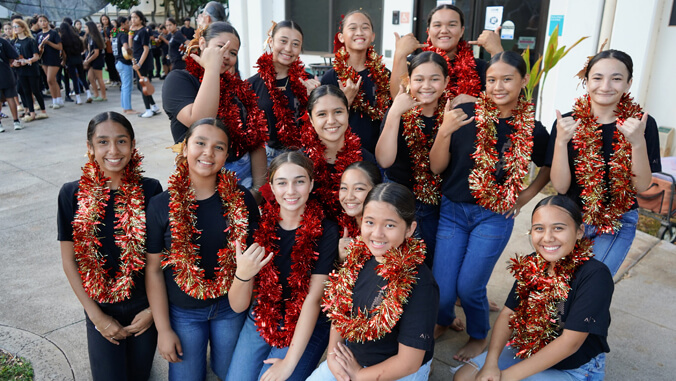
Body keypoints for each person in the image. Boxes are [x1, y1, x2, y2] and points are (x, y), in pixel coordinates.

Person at [429, 51, 551, 361]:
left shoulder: (531, 128)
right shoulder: (465, 114)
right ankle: (444, 319)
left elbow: (548, 164)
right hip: (453, 211)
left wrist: (527, 193)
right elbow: (436, 167)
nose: (498, 86)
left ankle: (478, 334)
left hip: (495, 216)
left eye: (507, 79)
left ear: (524, 81)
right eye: (491, 80)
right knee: (443, 290)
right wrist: (444, 130)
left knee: (470, 286)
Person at [145, 117, 267, 380]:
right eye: (200, 143)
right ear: (185, 147)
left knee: (229, 372)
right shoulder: (160, 205)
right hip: (184, 312)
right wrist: (163, 329)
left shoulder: (242, 198)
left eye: (219, 147)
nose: (208, 153)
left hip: (230, 308)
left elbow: (253, 257)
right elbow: (153, 270)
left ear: (226, 155)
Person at [454, 195, 613, 381]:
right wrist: (491, 364)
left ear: (579, 231)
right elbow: (508, 314)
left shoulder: (595, 275)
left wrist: (504, 378)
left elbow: (571, 343)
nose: (548, 238)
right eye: (539, 229)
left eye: (558, 228)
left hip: (574, 367)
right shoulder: (533, 263)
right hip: (529, 350)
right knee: (463, 377)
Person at [58, 111, 162, 380]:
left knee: (140, 375)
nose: (113, 150)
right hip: (100, 305)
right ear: (90, 148)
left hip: (143, 305)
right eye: (103, 142)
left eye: (121, 141)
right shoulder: (72, 193)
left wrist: (153, 311)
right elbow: (70, 260)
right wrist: (97, 317)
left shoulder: (150, 190)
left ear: (133, 144)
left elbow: (163, 257)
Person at [547, 49, 661, 276]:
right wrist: (561, 141)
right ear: (586, 81)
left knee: (591, 283)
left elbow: (642, 186)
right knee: (558, 287)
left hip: (617, 221)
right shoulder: (567, 122)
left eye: (616, 78)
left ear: (628, 83)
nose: (606, 86)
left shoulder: (641, 124)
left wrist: (637, 143)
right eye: (597, 77)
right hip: (570, 216)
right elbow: (560, 187)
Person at [310, 182, 439, 381]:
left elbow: (408, 362)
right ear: (361, 221)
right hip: (349, 358)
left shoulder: (420, 284)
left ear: (409, 229)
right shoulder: (358, 255)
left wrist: (360, 375)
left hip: (394, 370)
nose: (377, 234)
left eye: (389, 225)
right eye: (370, 222)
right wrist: (333, 355)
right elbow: (340, 310)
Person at [228, 151, 339, 381]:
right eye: (282, 182)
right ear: (271, 187)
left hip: (305, 320)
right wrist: (243, 275)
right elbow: (239, 306)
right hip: (262, 314)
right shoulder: (257, 230)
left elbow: (314, 299)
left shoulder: (326, 230)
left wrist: (288, 364)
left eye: (299, 181)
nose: (291, 191)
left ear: (311, 184)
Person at [162, 21, 268, 199]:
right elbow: (201, 121)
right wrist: (211, 68)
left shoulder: (239, 88)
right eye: (220, 47)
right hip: (199, 174)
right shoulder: (179, 79)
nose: (225, 56)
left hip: (243, 176)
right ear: (202, 44)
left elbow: (256, 139)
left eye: (232, 53)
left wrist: (258, 188)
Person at [377, 51, 448, 269]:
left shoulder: (451, 112)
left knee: (428, 263)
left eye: (434, 79)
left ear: (446, 82)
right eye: (419, 79)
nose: (426, 85)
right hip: (399, 199)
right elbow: (384, 160)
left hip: (436, 202)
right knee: (395, 261)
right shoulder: (398, 110)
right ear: (409, 81)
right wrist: (395, 113)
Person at [390, 4, 503, 106]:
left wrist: (497, 51)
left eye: (452, 25)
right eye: (437, 25)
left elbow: (505, 100)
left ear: (462, 31)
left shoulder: (480, 67)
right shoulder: (413, 63)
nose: (444, 30)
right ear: (428, 31)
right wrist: (400, 54)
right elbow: (397, 98)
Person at [321, 10, 391, 155]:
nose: (359, 32)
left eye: (365, 27)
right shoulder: (331, 78)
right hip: (343, 155)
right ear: (341, 37)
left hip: (379, 155)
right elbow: (323, 120)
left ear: (372, 36)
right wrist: (345, 101)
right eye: (352, 28)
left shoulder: (384, 75)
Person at [301, 84, 374, 222]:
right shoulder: (300, 162)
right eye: (322, 114)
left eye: (338, 112)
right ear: (311, 119)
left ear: (347, 113)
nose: (331, 121)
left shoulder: (365, 159)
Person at [248, 20, 319, 160]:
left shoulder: (309, 82)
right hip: (265, 157)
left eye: (295, 44)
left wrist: (315, 97)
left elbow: (319, 123)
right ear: (271, 42)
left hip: (303, 156)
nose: (288, 49)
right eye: (283, 41)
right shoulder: (252, 85)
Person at [337, 160, 382, 261]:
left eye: (359, 189)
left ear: (376, 190)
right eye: (344, 188)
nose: (349, 197)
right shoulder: (338, 226)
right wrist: (342, 259)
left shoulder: (383, 233)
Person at [11, 18, 48, 123]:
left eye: (17, 26)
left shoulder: (30, 40)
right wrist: (14, 62)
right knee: (25, 91)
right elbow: (12, 57)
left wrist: (27, 61)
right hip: (20, 70)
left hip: (32, 69)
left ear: (23, 28)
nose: (15, 29)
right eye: (14, 27)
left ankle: (43, 111)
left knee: (35, 90)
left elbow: (36, 56)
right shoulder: (14, 41)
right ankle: (31, 113)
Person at [130, 10, 160, 118]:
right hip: (137, 61)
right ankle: (154, 106)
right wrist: (130, 32)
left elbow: (146, 49)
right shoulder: (136, 32)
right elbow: (131, 47)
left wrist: (139, 64)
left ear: (141, 19)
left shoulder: (143, 31)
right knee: (142, 86)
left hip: (143, 63)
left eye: (135, 18)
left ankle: (148, 110)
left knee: (141, 85)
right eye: (132, 17)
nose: (133, 20)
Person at [60, 21, 92, 105]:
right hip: (78, 58)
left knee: (74, 78)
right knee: (82, 76)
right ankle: (88, 94)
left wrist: (64, 61)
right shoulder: (76, 36)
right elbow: (82, 48)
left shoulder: (63, 39)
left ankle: (78, 98)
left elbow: (64, 53)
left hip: (70, 60)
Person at [36, 15, 63, 108]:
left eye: (44, 21)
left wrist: (48, 43)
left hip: (53, 59)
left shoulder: (53, 33)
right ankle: (58, 99)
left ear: (48, 22)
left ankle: (55, 100)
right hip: (44, 59)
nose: (43, 23)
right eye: (40, 21)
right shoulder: (39, 35)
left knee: (50, 79)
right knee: (52, 81)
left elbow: (59, 47)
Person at [112, 17, 136, 114]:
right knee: (127, 86)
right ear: (122, 24)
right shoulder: (122, 34)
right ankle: (128, 108)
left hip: (118, 61)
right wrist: (132, 52)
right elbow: (126, 47)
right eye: (127, 23)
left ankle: (125, 107)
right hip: (124, 62)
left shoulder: (115, 33)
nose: (129, 24)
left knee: (124, 86)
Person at [0, 29, 22, 132]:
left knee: (7, 98)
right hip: (6, 72)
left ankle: (1, 124)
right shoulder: (3, 42)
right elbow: (14, 56)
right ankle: (16, 121)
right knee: (10, 98)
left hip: (5, 73)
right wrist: (7, 63)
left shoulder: (3, 42)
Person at [84, 21, 107, 102]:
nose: (85, 29)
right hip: (92, 61)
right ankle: (96, 94)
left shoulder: (95, 38)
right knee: (90, 77)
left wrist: (88, 60)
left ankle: (103, 96)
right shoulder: (90, 37)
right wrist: (86, 59)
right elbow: (90, 51)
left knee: (99, 78)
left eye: (86, 27)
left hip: (97, 60)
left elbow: (96, 53)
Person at [100, 14, 121, 86]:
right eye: (103, 20)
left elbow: (115, 37)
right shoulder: (101, 28)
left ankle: (116, 79)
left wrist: (109, 40)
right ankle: (111, 79)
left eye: (106, 19)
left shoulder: (113, 28)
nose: (105, 21)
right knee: (109, 65)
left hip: (112, 48)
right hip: (105, 48)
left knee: (113, 64)